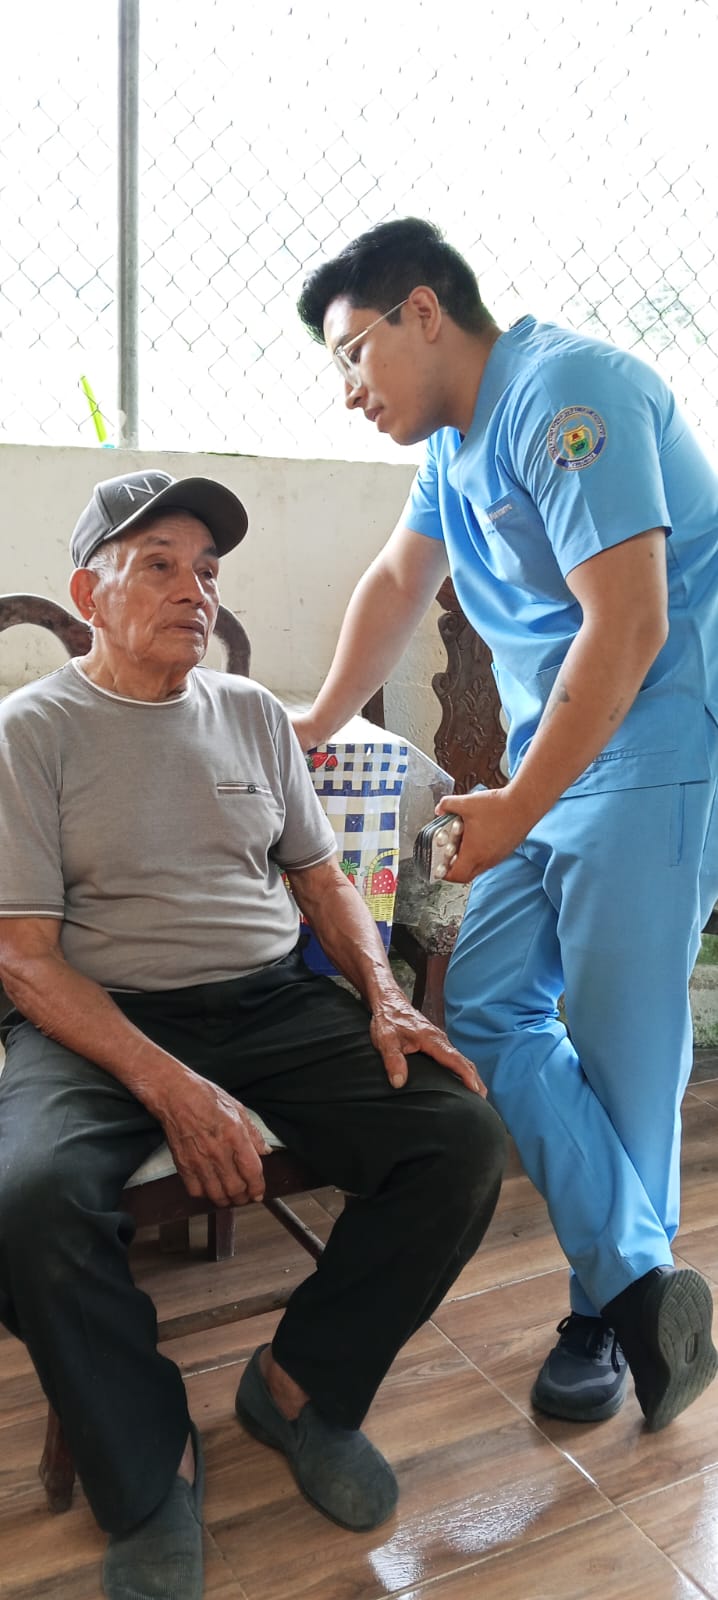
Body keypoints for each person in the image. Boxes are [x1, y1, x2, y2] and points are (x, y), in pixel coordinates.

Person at [0, 468, 506, 1600]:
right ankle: (148, 1463)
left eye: (208, 571)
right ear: (89, 593)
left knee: (460, 1138)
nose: (195, 591)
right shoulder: (31, 732)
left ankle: (295, 1385)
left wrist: (384, 995)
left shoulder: (252, 714)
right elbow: (24, 956)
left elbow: (321, 878)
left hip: (270, 1001)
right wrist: (173, 1087)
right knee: (26, 1201)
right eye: (159, 566)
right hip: (98, 1019)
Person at [294, 216, 718, 1434]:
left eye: (352, 354)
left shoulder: (567, 395)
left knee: (624, 1046)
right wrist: (313, 721)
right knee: (480, 1009)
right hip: (554, 762)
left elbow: (628, 624)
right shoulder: (452, 446)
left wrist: (515, 808)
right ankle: (639, 1284)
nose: (348, 390)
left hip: (658, 745)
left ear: (423, 312)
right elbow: (398, 580)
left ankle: (603, 1313)